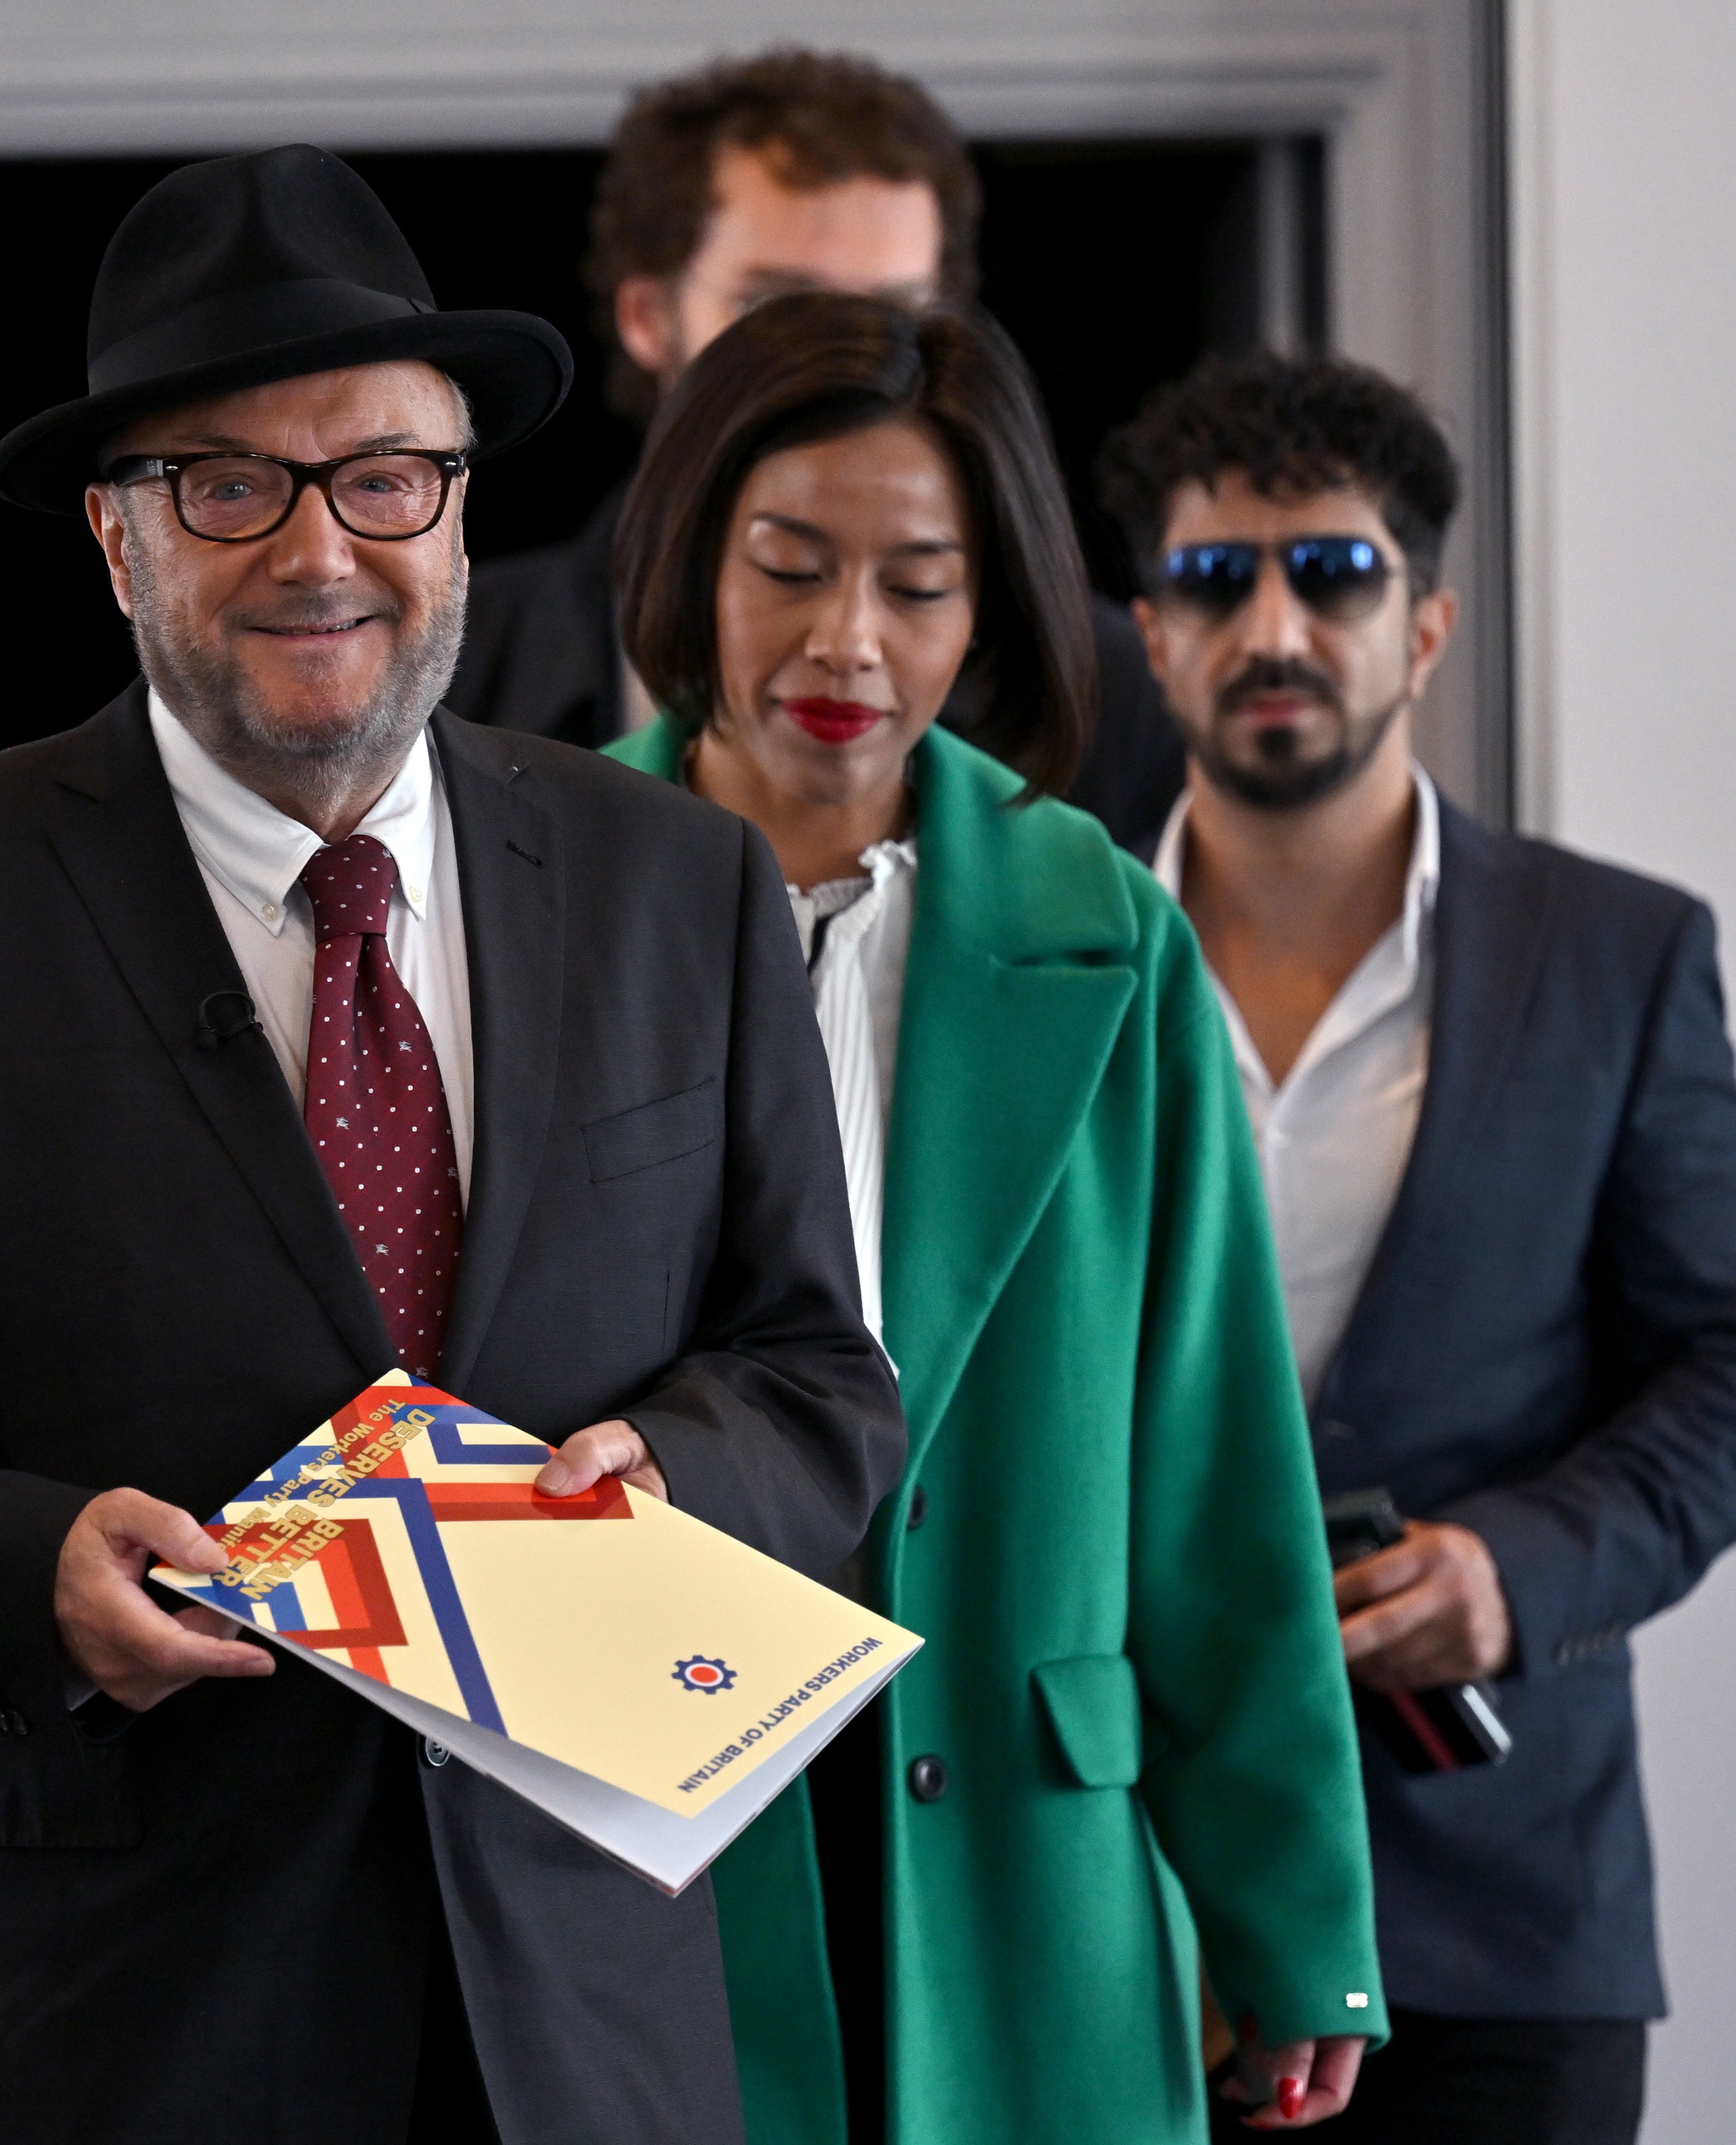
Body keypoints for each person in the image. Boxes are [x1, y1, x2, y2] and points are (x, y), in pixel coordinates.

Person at [0, 144, 900, 2145]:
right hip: (116, 2019)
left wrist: (677, 1467)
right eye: (224, 483)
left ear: (462, 514)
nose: (318, 551)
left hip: (574, 2024)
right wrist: (24, 1567)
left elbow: (823, 1377)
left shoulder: (682, 888)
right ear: (115, 540)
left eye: (382, 475)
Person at [600, 292, 1382, 2143]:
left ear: (998, 604)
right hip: (653, 1825)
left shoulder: (1105, 927)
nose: (845, 642)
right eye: (787, 564)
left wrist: (1298, 1921)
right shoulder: (530, 896)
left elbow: (1214, 1472)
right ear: (694, 556)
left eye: (920, 584)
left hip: (1031, 1847)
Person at [1097, 351, 1736, 2145]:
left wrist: (1521, 1566)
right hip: (1130, 1876)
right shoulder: (1049, 961)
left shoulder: (1619, 954)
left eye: (1332, 574)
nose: (1275, 623)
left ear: (1422, 625)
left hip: (1503, 1903)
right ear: (1150, 632)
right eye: (1215, 579)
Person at [448, 46, 1187, 849]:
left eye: (894, 316)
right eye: (777, 309)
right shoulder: (453, 668)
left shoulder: (1111, 687)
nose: (845, 372)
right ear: (646, 317)